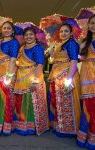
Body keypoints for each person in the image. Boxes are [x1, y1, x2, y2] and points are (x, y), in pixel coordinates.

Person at [13, 27, 49, 136]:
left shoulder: (38, 48)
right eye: (26, 35)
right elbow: (17, 63)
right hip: (20, 77)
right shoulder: (21, 48)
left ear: (35, 36)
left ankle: (31, 127)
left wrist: (35, 81)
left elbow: (40, 64)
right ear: (23, 37)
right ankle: (20, 125)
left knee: (31, 102)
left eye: (31, 34)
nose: (28, 37)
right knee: (20, 101)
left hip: (32, 76)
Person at [48, 23, 81, 136]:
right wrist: (52, 55)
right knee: (58, 102)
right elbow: (53, 61)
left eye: (66, 31)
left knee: (67, 103)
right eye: (61, 31)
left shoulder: (72, 43)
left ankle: (69, 129)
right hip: (57, 75)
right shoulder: (59, 44)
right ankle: (60, 126)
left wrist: (69, 78)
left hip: (66, 75)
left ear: (71, 33)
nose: (63, 33)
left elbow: (73, 61)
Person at [0, 21, 20, 135]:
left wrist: (9, 76)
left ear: (12, 30)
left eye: (8, 28)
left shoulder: (14, 42)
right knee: (0, 98)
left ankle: (6, 125)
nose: (6, 30)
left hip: (7, 72)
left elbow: (13, 59)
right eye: (4, 28)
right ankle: (0, 123)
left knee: (7, 99)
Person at [77, 14, 95, 149]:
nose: (93, 26)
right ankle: (86, 137)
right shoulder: (85, 40)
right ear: (88, 25)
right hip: (87, 76)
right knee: (88, 107)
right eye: (92, 23)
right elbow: (80, 58)